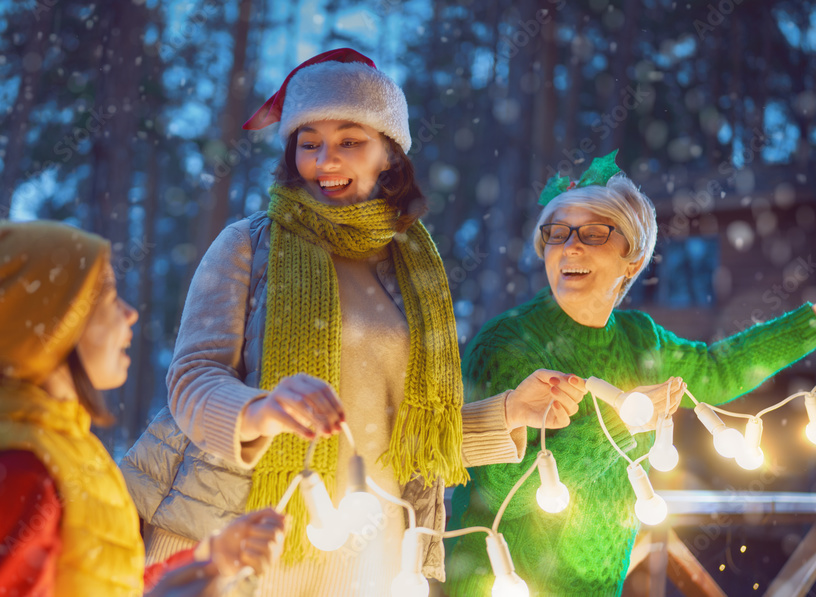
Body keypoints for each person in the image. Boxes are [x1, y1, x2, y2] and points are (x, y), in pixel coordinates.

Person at [121, 48, 584, 597]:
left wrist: (512, 411)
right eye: (308, 143)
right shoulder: (248, 246)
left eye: (349, 141)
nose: (325, 161)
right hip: (242, 530)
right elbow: (192, 380)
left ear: (389, 154)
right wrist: (261, 410)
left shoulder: (416, 267)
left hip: (368, 547)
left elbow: (412, 435)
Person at [444, 151, 816, 596]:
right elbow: (506, 490)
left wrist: (810, 323)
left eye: (595, 233)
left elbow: (718, 370)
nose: (571, 246)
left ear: (633, 261)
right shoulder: (507, 343)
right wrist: (627, 419)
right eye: (557, 233)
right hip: (502, 580)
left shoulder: (641, 339)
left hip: (598, 585)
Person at [0, 220, 284, 597]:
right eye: (107, 297)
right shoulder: (20, 470)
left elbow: (100, 585)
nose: (130, 312)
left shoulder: (58, 447)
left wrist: (210, 560)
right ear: (49, 325)